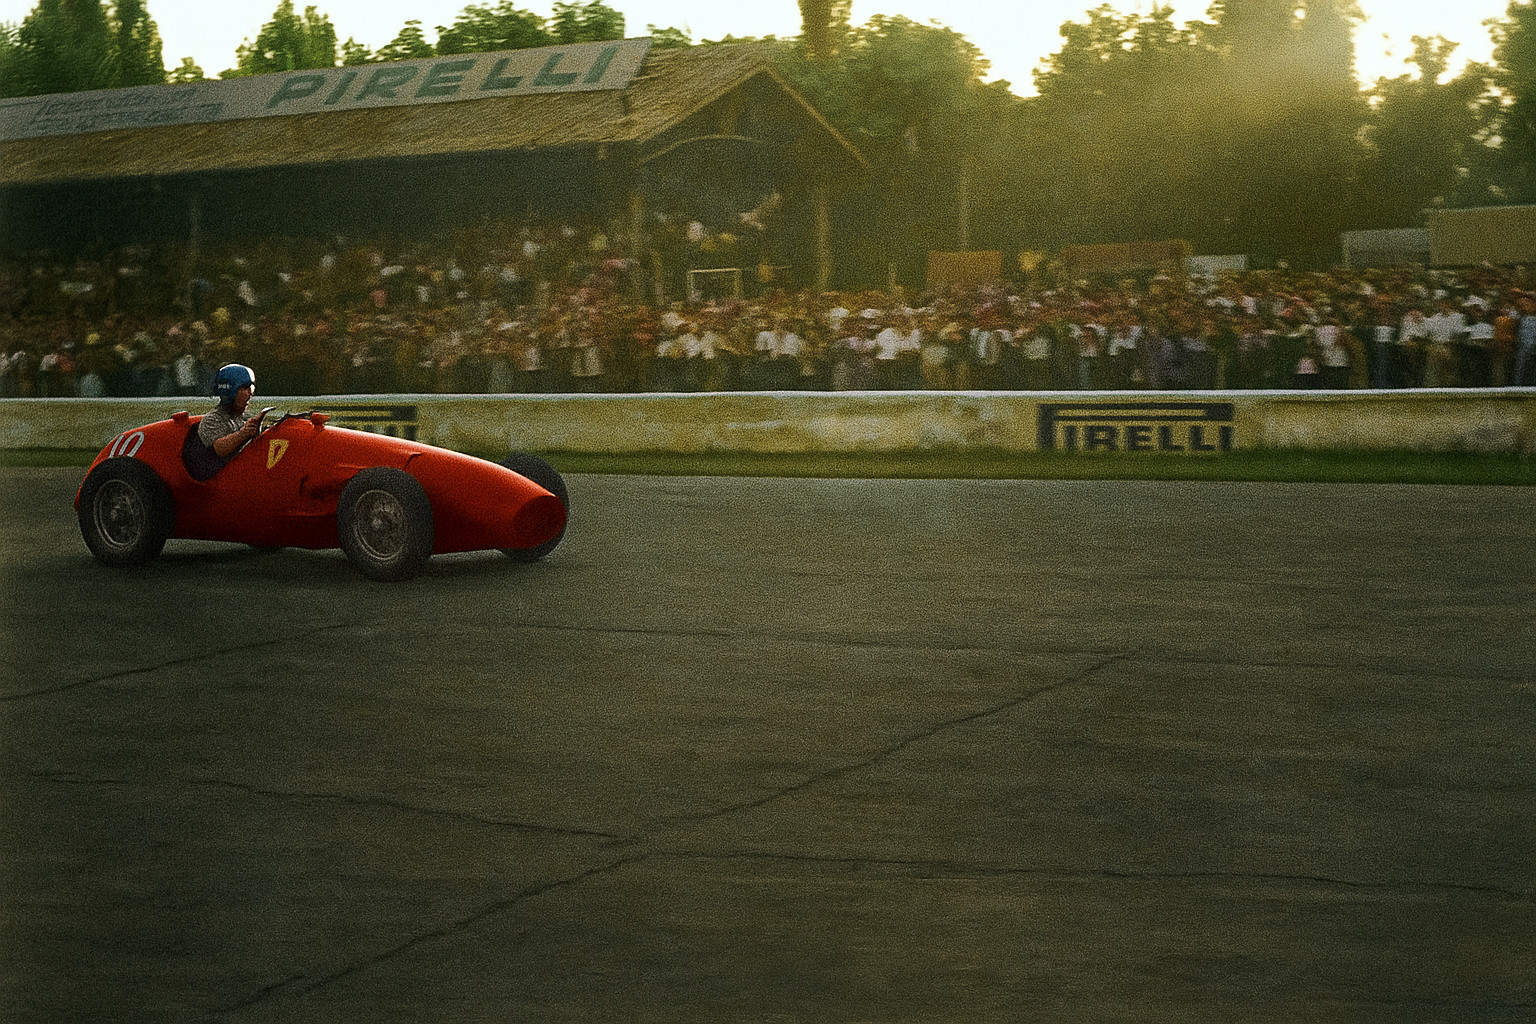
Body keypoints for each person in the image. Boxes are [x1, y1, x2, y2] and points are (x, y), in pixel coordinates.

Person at [199, 363, 263, 458]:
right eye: (245, 388)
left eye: (251, 388)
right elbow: (220, 449)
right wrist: (244, 433)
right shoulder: (211, 420)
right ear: (230, 392)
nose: (250, 393)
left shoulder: (247, 418)